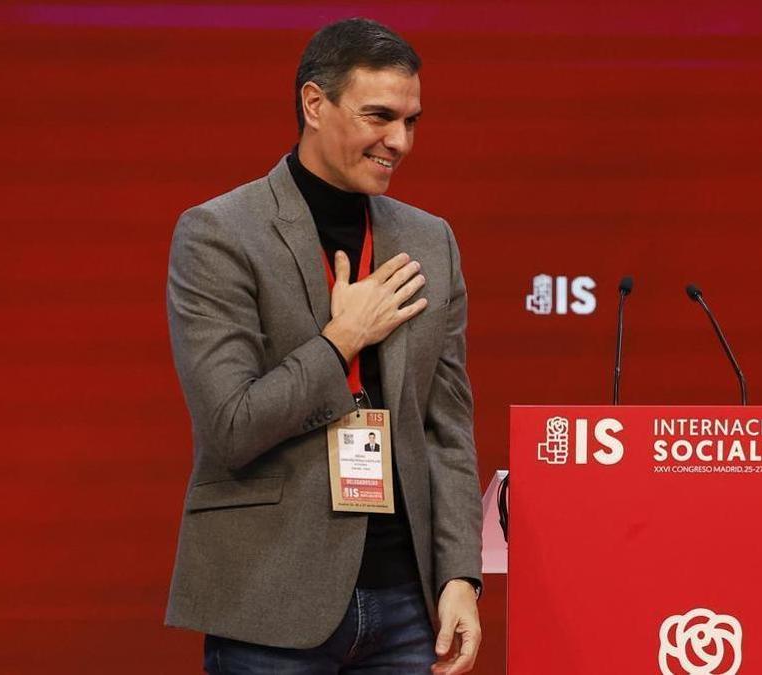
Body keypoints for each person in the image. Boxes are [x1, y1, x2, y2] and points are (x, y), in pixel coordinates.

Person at [164, 18, 483, 674]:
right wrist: (342, 339)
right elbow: (229, 427)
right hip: (270, 597)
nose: (399, 140)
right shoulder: (219, 234)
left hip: (406, 602)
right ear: (315, 104)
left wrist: (459, 575)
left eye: (412, 120)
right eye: (379, 116)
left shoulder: (431, 242)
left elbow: (446, 428)